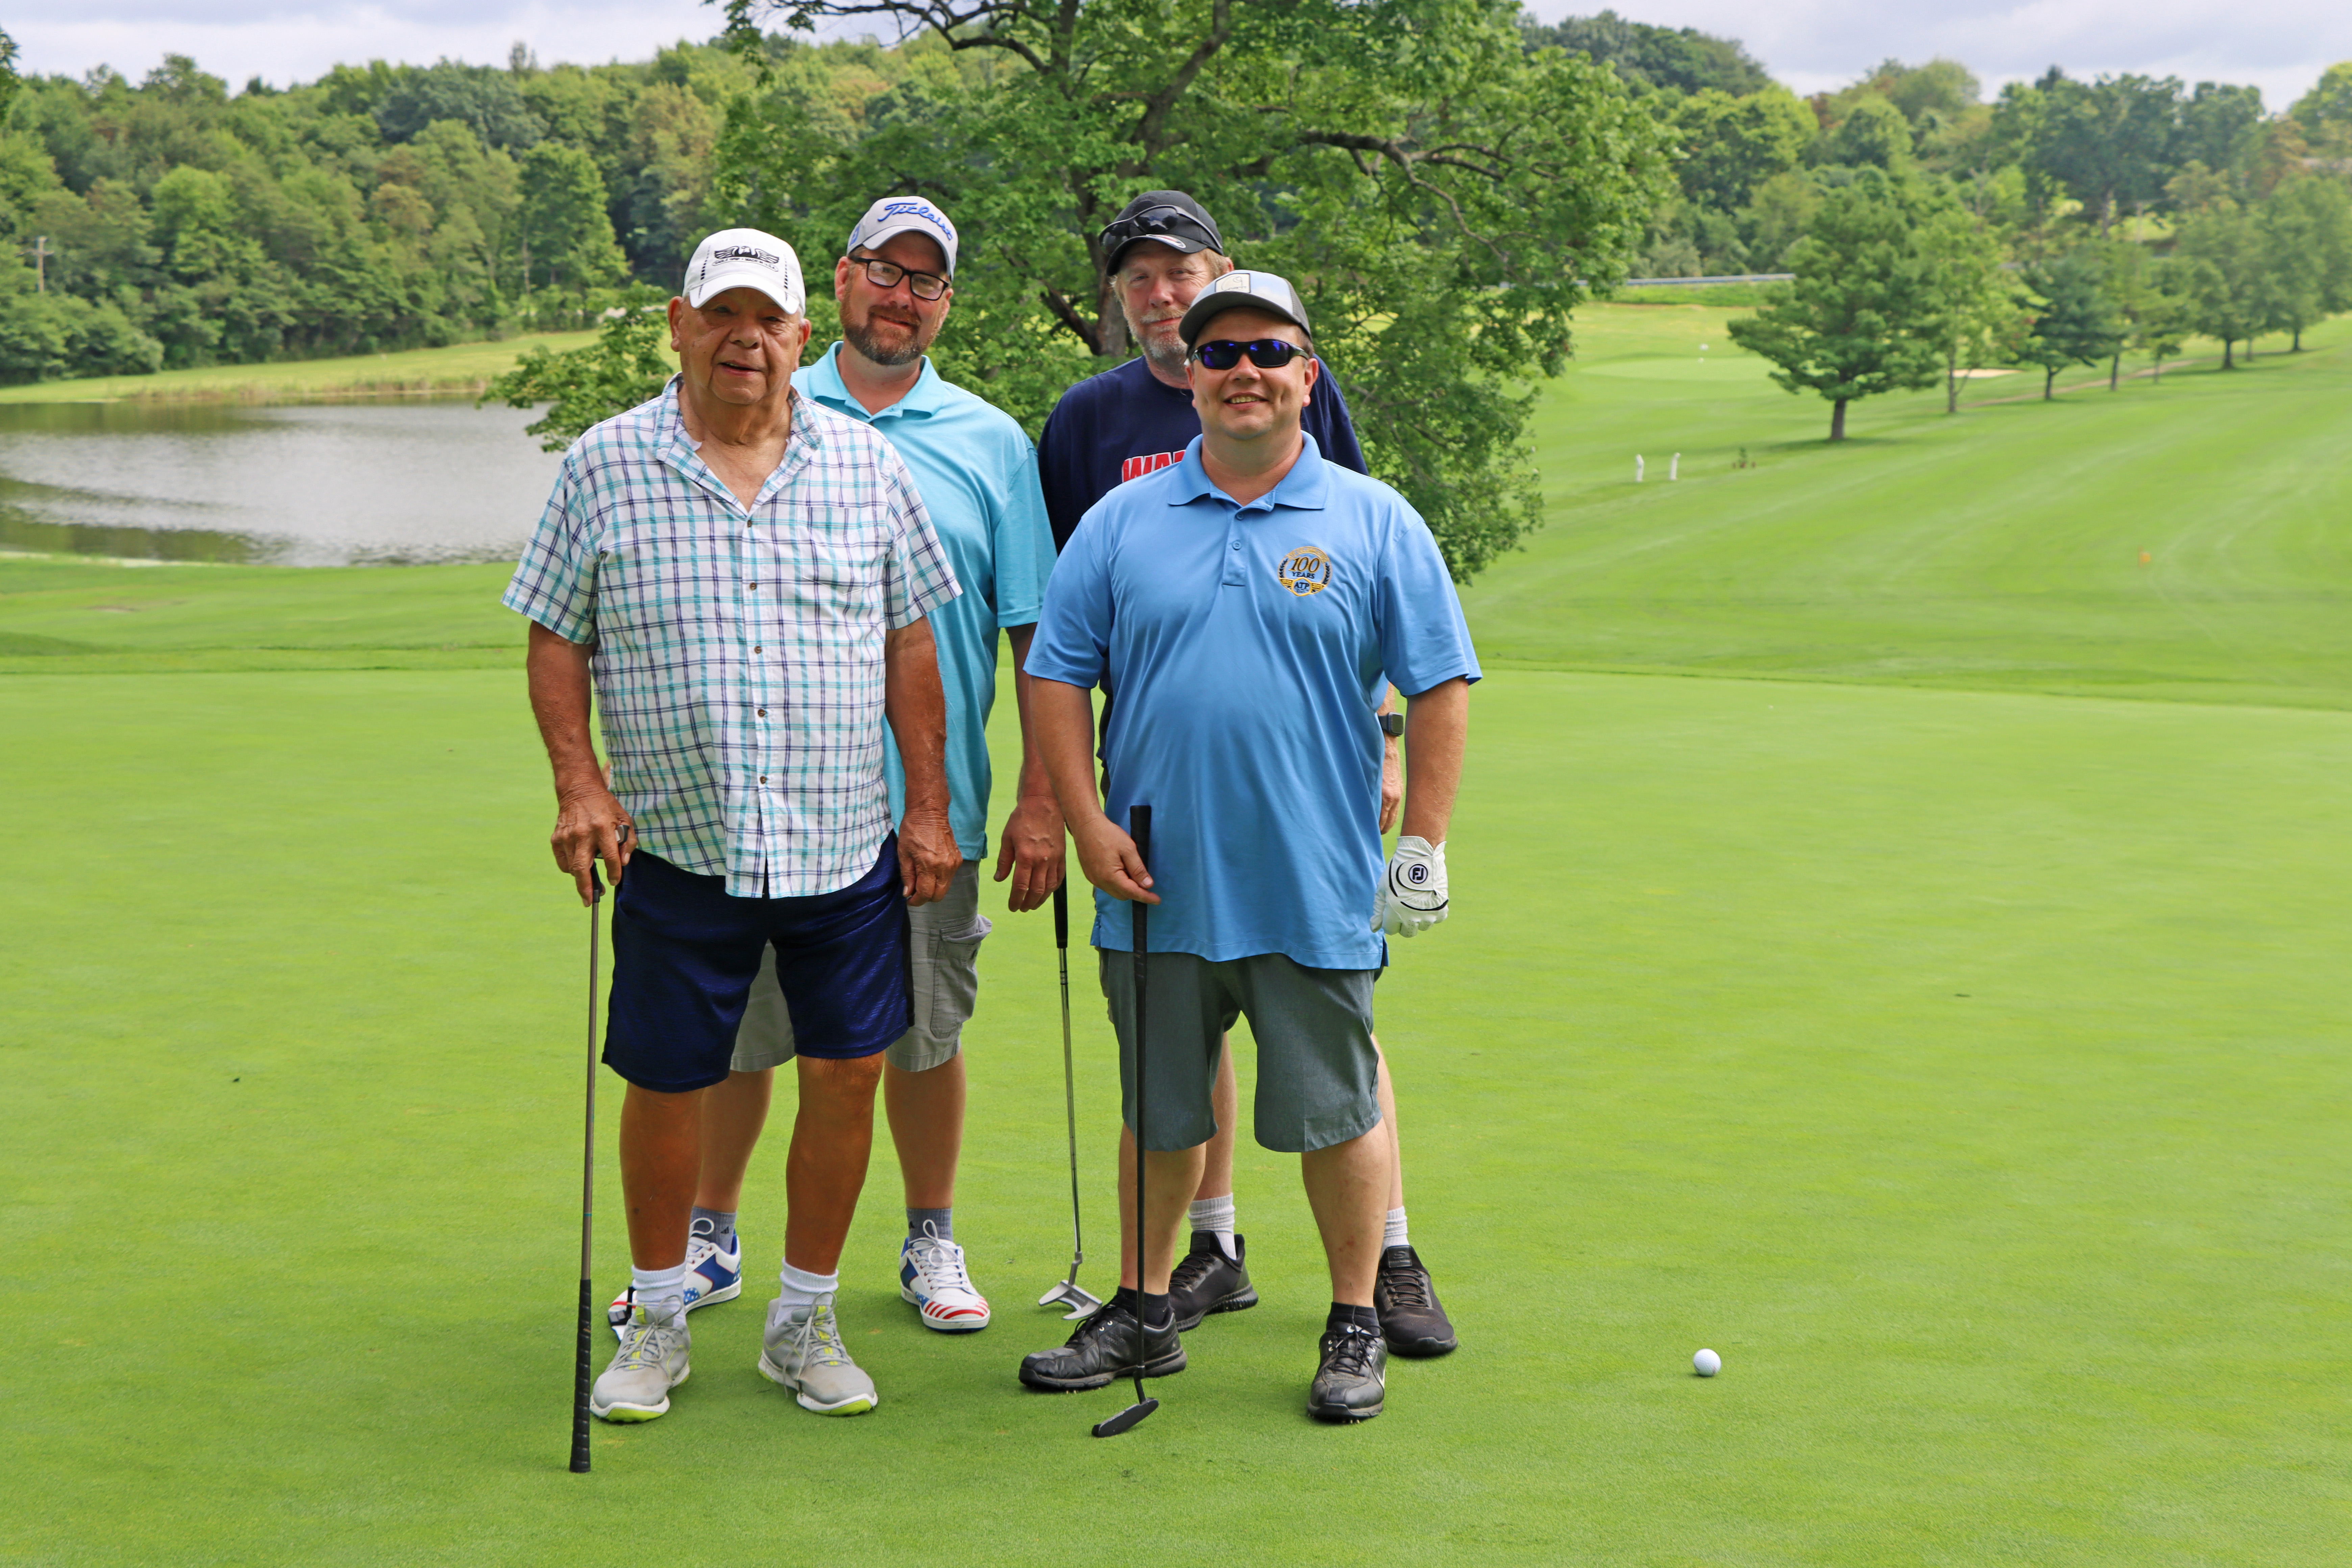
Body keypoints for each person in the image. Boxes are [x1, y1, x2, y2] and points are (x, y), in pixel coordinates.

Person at [505, 226, 963, 1424]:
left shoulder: (866, 468)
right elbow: (557, 635)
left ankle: (803, 1319)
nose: (745, 340)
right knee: (664, 1081)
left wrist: (929, 809)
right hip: (678, 841)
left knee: (848, 1076)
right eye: (723, 316)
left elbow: (912, 645)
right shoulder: (605, 463)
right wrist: (578, 785)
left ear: (801, 338)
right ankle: (657, 1319)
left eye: (769, 321)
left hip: (841, 844)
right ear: (679, 323)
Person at [1017, 270, 1477, 1421]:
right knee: (1161, 1113)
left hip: (1308, 876)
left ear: (1307, 377)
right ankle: (1141, 1304)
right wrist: (1083, 820)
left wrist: (1420, 840)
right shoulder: (1123, 522)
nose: (1244, 373)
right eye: (1219, 355)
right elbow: (1056, 675)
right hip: (1154, 874)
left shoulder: (1375, 519)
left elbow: (1441, 684)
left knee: (1338, 1112)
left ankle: (1355, 1319)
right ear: (1193, 381)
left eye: (1269, 352)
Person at [639, 196, 1062, 1342]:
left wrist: (1038, 797)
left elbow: (1038, 637)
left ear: (945, 305)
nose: (902, 296)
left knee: (923, 1036)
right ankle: (711, 1235)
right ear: (840, 280)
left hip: (929, 816)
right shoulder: (758, 393)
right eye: (885, 271)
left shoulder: (990, 441)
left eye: (926, 281)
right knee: (742, 1036)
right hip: (750, 806)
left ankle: (930, 1233)